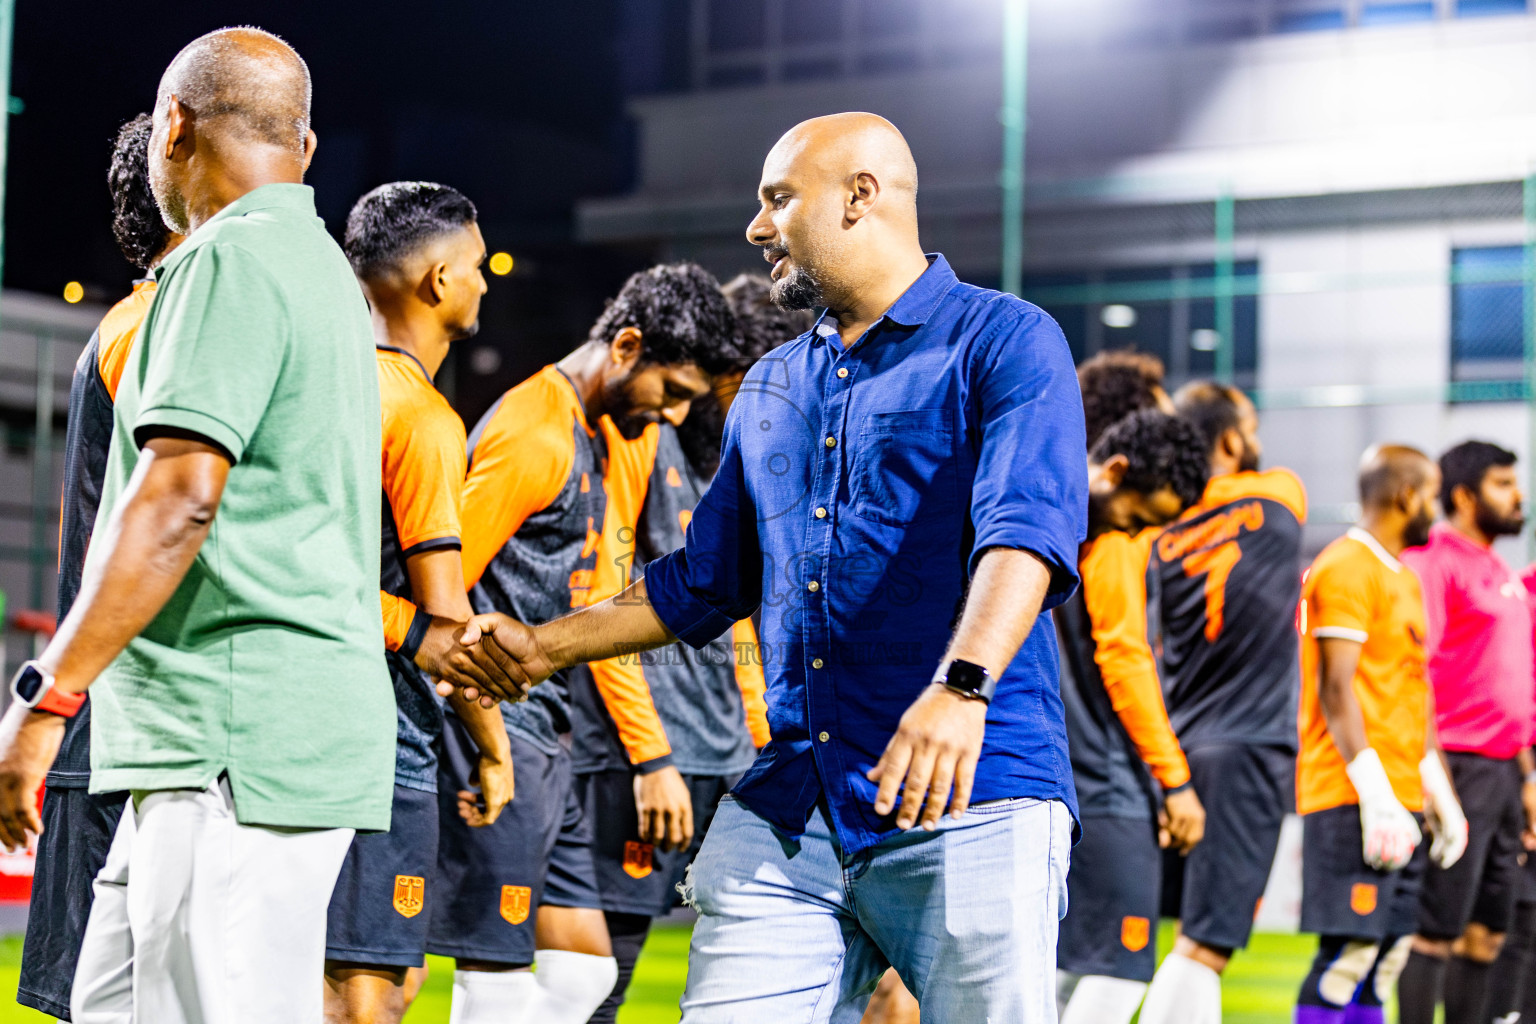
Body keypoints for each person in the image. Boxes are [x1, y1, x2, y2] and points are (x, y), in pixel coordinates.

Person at [453, 112, 1088, 1022]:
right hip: (795, 800)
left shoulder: (1006, 340)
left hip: (973, 784)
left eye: (777, 199)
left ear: (860, 196)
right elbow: (706, 579)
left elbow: (1025, 533)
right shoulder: (771, 383)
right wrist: (544, 646)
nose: (757, 229)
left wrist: (963, 688)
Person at [0, 28, 401, 1023]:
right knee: (113, 1006)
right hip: (239, 740)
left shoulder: (227, 257)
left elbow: (179, 496)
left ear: (170, 127)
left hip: (234, 742)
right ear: (302, 149)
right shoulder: (318, 270)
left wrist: (45, 705)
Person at [433, 262, 736, 1024]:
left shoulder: (610, 434)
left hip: (548, 732)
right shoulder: (534, 431)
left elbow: (606, 590)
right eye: (671, 392)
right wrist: (485, 735)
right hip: (492, 728)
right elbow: (440, 592)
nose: (672, 417)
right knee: (484, 981)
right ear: (627, 346)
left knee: (581, 976)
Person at [570, 272, 802, 1024]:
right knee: (603, 976)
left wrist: (764, 743)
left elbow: (738, 620)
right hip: (646, 763)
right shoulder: (644, 436)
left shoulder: (747, 468)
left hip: (730, 758)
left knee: (760, 963)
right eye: (750, 384)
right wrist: (650, 758)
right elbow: (598, 598)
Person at [322, 181, 516, 1024]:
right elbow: (449, 629)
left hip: (290, 720)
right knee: (369, 990)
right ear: (438, 280)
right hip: (375, 737)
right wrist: (495, 748)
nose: (483, 283)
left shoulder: (311, 389)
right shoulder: (422, 413)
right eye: (475, 267)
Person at [15, 112, 183, 1023]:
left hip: (134, 721)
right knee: (105, 1002)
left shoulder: (148, 320)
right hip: (121, 721)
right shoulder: (155, 324)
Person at [1139, 380, 1309, 1024]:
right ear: (1234, 439)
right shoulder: (1277, 494)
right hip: (1248, 748)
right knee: (1207, 943)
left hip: (1179, 754)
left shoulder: (1161, 525)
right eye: (1252, 427)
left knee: (1165, 933)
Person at [1292, 445, 1467, 1024]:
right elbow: (1336, 690)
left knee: (1388, 956)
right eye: (1432, 494)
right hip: (1351, 796)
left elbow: (1411, 696)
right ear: (1405, 495)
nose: (1435, 509)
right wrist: (1375, 795)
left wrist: (1438, 796)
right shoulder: (1345, 566)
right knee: (1349, 955)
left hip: (1403, 797)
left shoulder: (1404, 578)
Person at [1056, 389, 1210, 1024]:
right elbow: (1125, 659)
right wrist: (1175, 781)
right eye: (1140, 516)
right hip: (1105, 783)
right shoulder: (1112, 543)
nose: (1138, 532)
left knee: (1050, 970)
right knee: (1115, 972)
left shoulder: (1035, 508)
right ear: (1115, 469)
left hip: (1047, 774)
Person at [1396, 440, 1536, 1024]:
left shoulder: (1500, 571)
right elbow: (1412, 671)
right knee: (1436, 932)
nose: (1517, 495)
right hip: (1458, 765)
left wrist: (1527, 777)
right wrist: (1436, 778)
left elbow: (1515, 691)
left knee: (1487, 935)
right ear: (1464, 495)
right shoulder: (1434, 562)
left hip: (1506, 771)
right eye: (1504, 484)